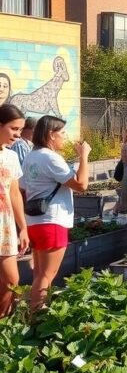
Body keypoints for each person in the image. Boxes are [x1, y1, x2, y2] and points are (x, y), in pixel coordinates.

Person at [22, 116, 91, 314]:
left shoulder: (31, 156)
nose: (64, 137)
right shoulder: (50, 157)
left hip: (34, 221)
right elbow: (81, 185)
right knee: (46, 275)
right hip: (52, 221)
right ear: (51, 135)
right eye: (61, 133)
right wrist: (83, 156)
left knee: (40, 273)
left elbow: (23, 188)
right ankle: (36, 317)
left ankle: (36, 313)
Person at [0, 104, 28, 317]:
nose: (18, 135)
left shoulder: (10, 156)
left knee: (12, 281)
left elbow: (15, 194)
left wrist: (23, 228)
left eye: (20, 130)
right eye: (14, 129)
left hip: (4, 228)